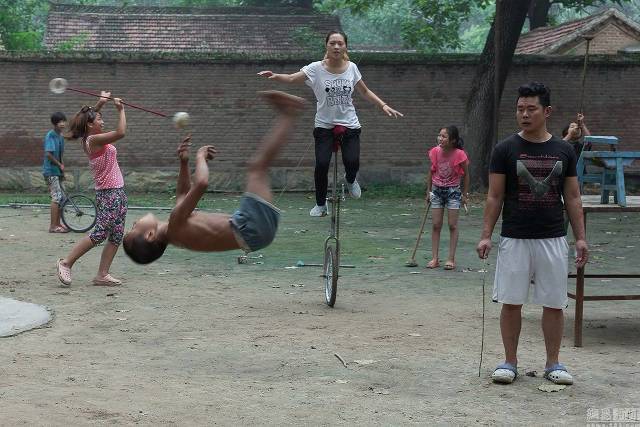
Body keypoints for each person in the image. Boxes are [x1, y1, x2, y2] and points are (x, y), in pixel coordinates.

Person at [476, 82, 588, 386]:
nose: (524, 114)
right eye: (520, 109)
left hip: (552, 237)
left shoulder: (563, 150)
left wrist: (580, 237)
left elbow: (573, 198)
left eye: (531, 109)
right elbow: (494, 196)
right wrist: (486, 234)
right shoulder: (505, 149)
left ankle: (554, 363)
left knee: (554, 302)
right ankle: (509, 362)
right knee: (511, 301)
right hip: (515, 237)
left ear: (546, 111)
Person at [122, 91, 305, 264]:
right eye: (133, 229)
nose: (134, 223)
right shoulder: (175, 224)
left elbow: (183, 194)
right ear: (150, 235)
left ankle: (288, 114)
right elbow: (201, 183)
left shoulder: (176, 231)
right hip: (249, 227)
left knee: (258, 167)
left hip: (253, 234)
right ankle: (289, 113)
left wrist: (184, 163)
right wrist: (200, 158)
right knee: (257, 167)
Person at [257, 30, 403, 217]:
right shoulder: (315, 68)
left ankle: (351, 180)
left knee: (352, 161)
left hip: (349, 123)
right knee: (322, 165)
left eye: (340, 43)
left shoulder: (352, 68)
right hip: (324, 125)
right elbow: (293, 78)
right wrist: (275, 76)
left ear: (345, 47)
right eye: (332, 43)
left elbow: (365, 92)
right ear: (326, 45)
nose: (336, 46)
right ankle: (320, 204)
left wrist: (383, 105)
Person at [56, 91, 129, 287]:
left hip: (118, 192)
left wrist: (100, 104)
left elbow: (86, 119)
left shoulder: (91, 135)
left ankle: (102, 275)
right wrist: (121, 110)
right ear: (90, 124)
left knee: (116, 235)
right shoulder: (92, 141)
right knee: (99, 234)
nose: (103, 122)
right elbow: (121, 132)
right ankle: (66, 262)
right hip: (108, 193)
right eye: (100, 119)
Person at [425, 125, 470, 270]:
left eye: (444, 136)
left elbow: (466, 174)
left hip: (453, 192)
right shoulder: (435, 152)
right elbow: (431, 171)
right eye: (439, 135)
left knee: (452, 225)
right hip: (437, 191)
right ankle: (435, 258)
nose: (440, 138)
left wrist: (464, 194)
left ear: (453, 140)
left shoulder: (459, 154)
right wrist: (428, 191)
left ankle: (451, 258)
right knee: (436, 225)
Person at [43, 112, 69, 233]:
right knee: (56, 197)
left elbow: (61, 155)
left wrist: (62, 168)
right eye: (60, 122)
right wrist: (59, 164)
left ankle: (58, 224)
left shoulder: (61, 136)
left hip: (57, 171)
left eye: (64, 121)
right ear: (55, 123)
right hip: (50, 171)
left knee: (63, 198)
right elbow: (48, 154)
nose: (62, 124)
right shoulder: (51, 135)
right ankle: (52, 226)